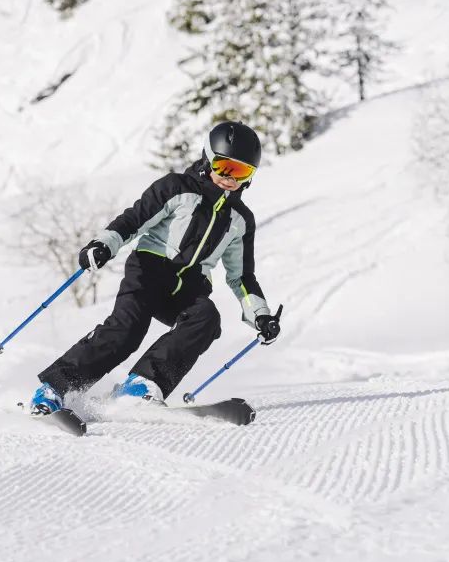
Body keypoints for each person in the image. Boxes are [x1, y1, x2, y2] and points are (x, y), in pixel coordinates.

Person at [29, 121, 280, 414]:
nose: (229, 178)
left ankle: (141, 386)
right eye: (224, 166)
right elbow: (134, 220)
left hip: (189, 284)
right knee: (127, 330)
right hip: (149, 271)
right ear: (209, 158)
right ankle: (54, 388)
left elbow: (241, 276)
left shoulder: (240, 219)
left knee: (206, 319)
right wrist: (104, 244)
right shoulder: (176, 187)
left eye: (241, 172)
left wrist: (261, 316)